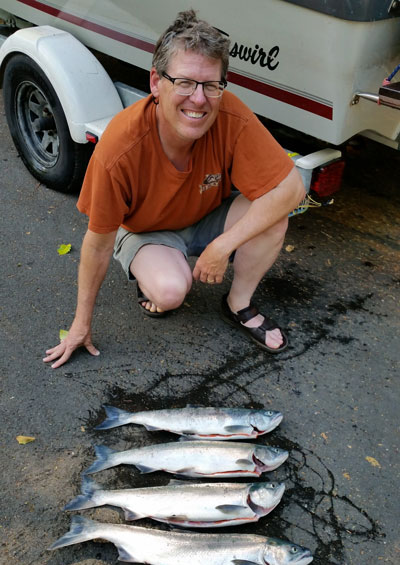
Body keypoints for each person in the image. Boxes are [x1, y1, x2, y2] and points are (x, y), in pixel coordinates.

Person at [44, 9, 305, 369]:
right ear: (156, 82)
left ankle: (238, 304)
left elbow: (291, 189)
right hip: (147, 231)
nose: (198, 99)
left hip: (207, 213)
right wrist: (79, 326)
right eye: (184, 82)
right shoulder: (118, 150)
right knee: (170, 293)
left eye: (210, 85)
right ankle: (151, 273)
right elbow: (98, 243)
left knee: (274, 217)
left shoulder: (229, 114)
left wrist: (223, 245)